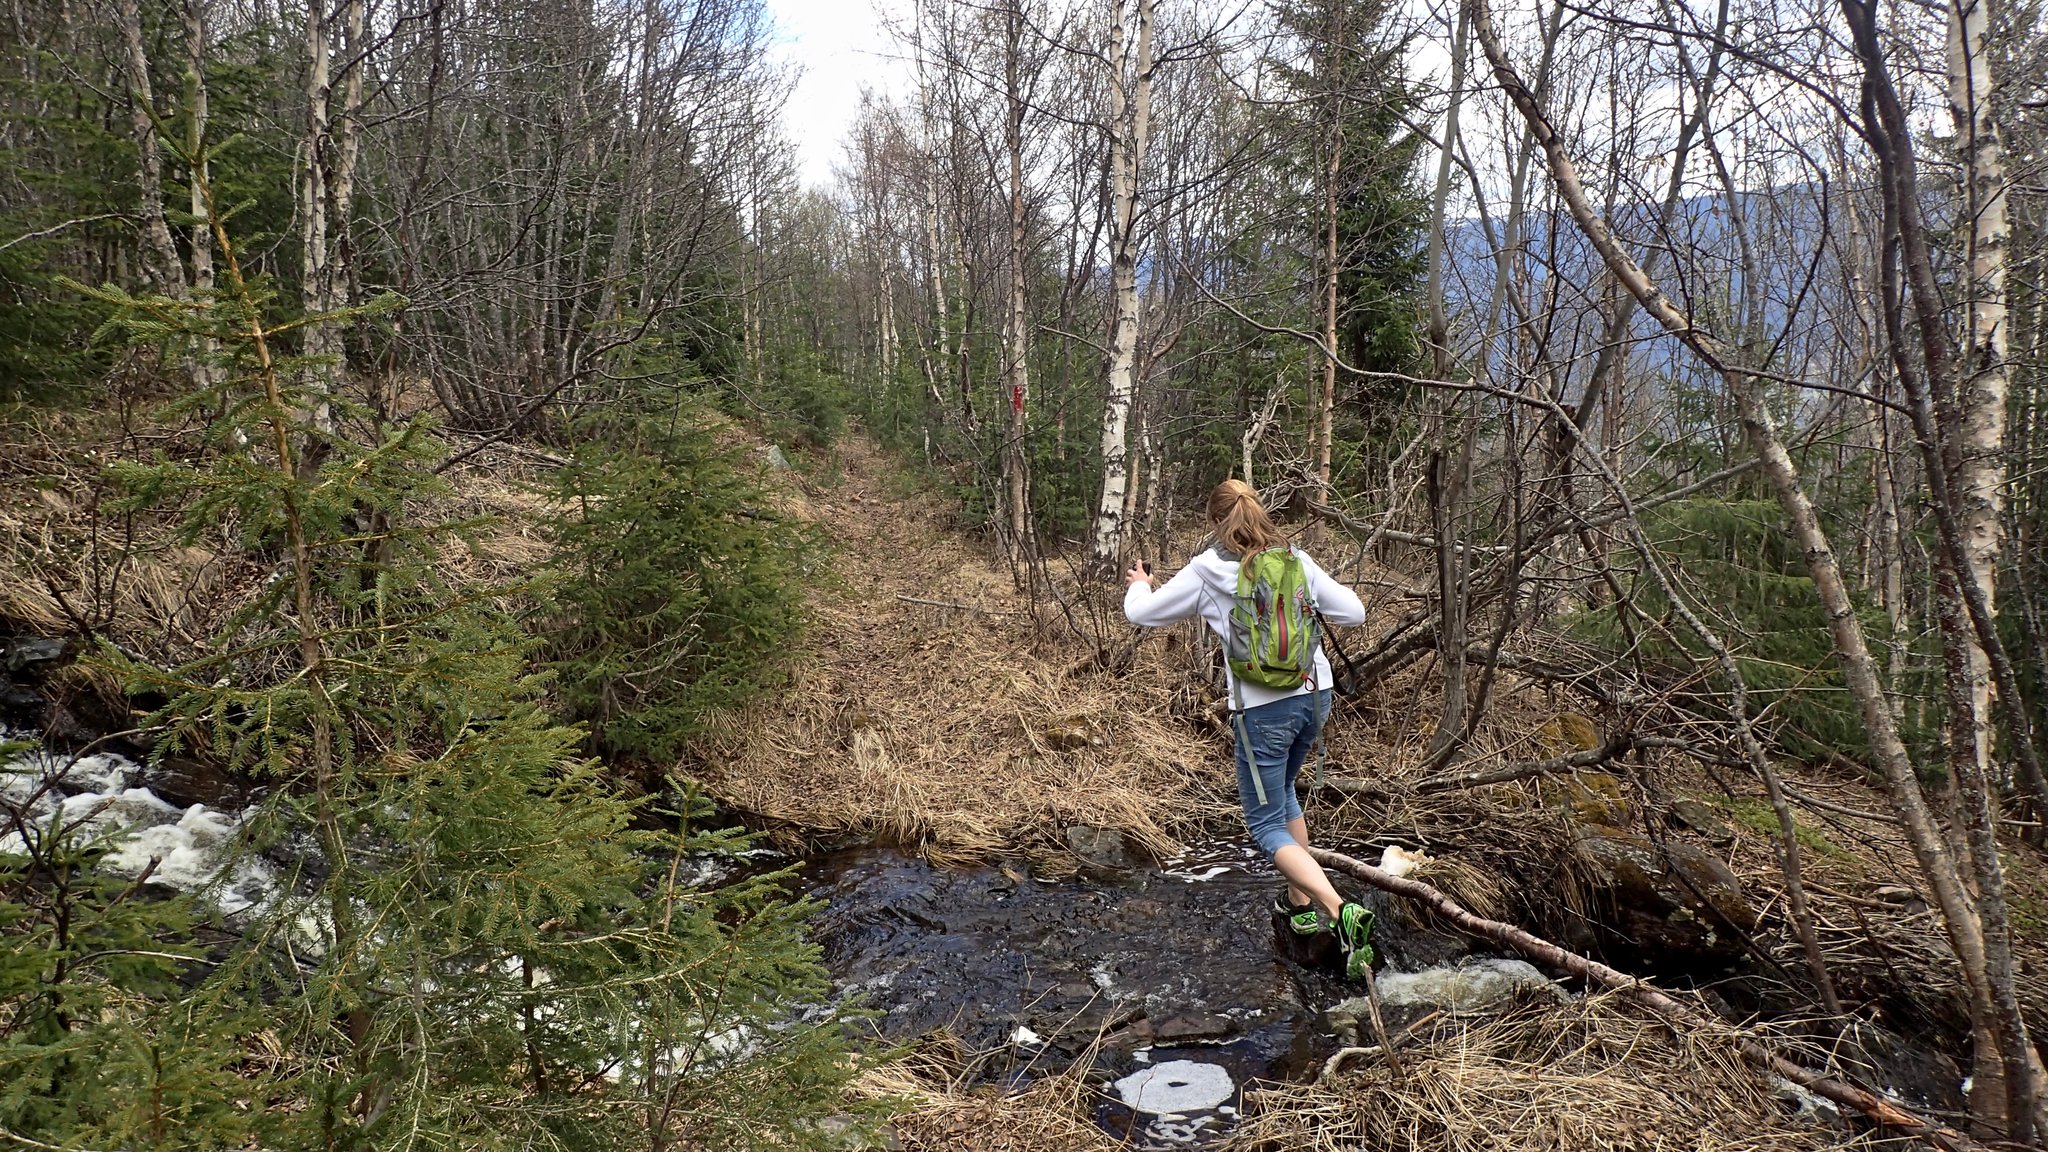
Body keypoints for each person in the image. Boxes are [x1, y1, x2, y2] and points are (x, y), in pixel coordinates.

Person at [1123, 479, 1376, 977]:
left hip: (1263, 710)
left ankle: (1338, 909)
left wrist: (1140, 581)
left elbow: (1141, 614)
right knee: (1284, 794)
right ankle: (1299, 907)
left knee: (1263, 823)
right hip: (1315, 696)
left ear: (1216, 521)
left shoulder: (1206, 570)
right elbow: (1355, 612)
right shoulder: (1295, 560)